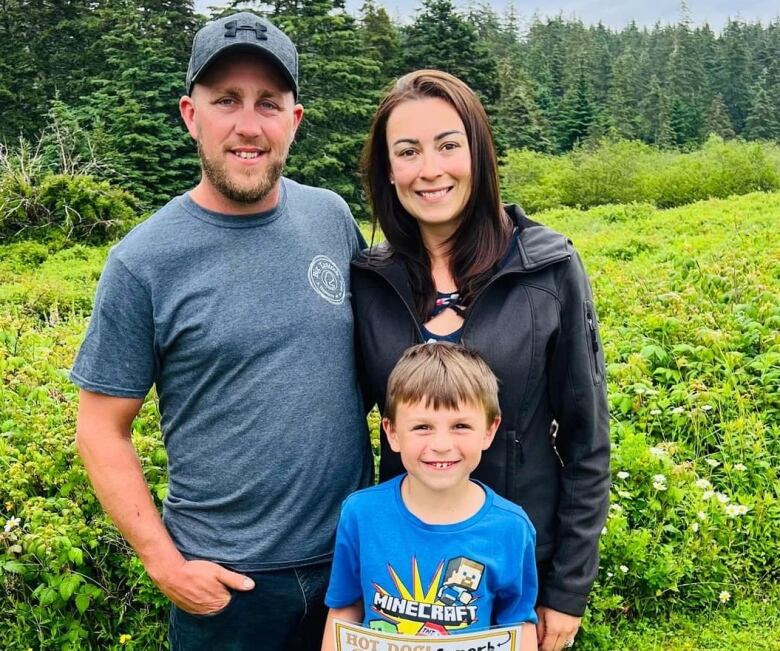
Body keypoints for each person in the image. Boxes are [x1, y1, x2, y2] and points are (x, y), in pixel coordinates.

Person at [70, 12, 371, 650]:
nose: (247, 124)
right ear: (190, 114)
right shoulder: (143, 261)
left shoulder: (332, 218)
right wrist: (164, 563)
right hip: (229, 587)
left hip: (353, 569)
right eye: (226, 100)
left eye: (268, 103)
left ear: (293, 120)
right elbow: (100, 427)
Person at [351, 70, 610, 651]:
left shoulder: (547, 268)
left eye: (448, 144)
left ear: (479, 151)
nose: (430, 169)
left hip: (516, 571)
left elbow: (587, 439)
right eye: (408, 151)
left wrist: (567, 590)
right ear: (388, 171)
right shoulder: (370, 280)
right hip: (402, 581)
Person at [322, 343, 538, 650]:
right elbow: (344, 609)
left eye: (461, 426)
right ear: (392, 432)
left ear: (489, 431)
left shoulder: (512, 528)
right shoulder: (361, 513)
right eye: (422, 426)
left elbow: (518, 625)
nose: (440, 444)